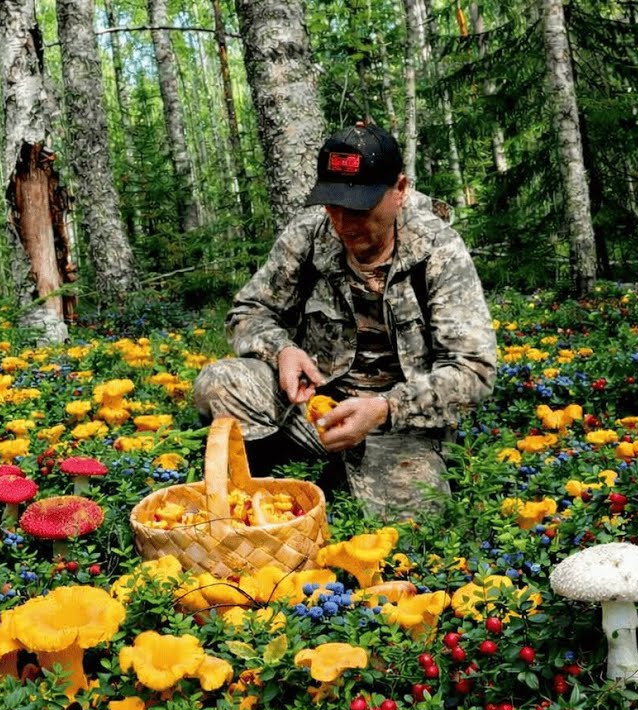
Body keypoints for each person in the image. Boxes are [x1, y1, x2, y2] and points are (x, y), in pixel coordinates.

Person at [193, 122, 497, 520]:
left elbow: (474, 371)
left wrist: (385, 408)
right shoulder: (309, 234)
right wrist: (282, 350)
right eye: (333, 205)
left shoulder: (437, 250)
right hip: (313, 406)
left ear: (399, 190)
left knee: (415, 520)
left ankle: (340, 473)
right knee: (219, 384)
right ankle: (280, 479)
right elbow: (249, 311)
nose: (344, 222)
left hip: (397, 423)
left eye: (359, 207)